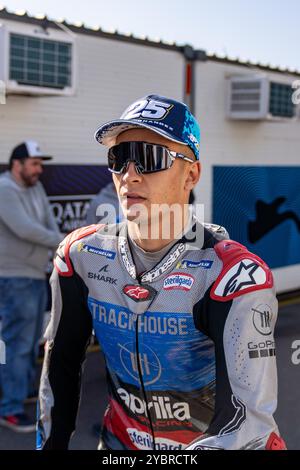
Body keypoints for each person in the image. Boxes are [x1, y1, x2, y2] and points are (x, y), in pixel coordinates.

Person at [37, 95, 286, 450]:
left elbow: (247, 423)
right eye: (119, 158)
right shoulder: (81, 255)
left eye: (150, 157)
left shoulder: (234, 276)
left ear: (192, 174)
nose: (130, 174)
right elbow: (58, 367)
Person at [0, 141, 63, 432]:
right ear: (18, 164)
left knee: (30, 342)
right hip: (14, 277)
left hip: (36, 274)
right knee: (18, 342)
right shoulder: (4, 189)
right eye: (35, 163)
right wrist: (65, 240)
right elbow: (25, 229)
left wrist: (58, 242)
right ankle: (9, 409)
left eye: (41, 164)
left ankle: (19, 393)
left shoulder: (36, 188)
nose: (39, 169)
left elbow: (49, 223)